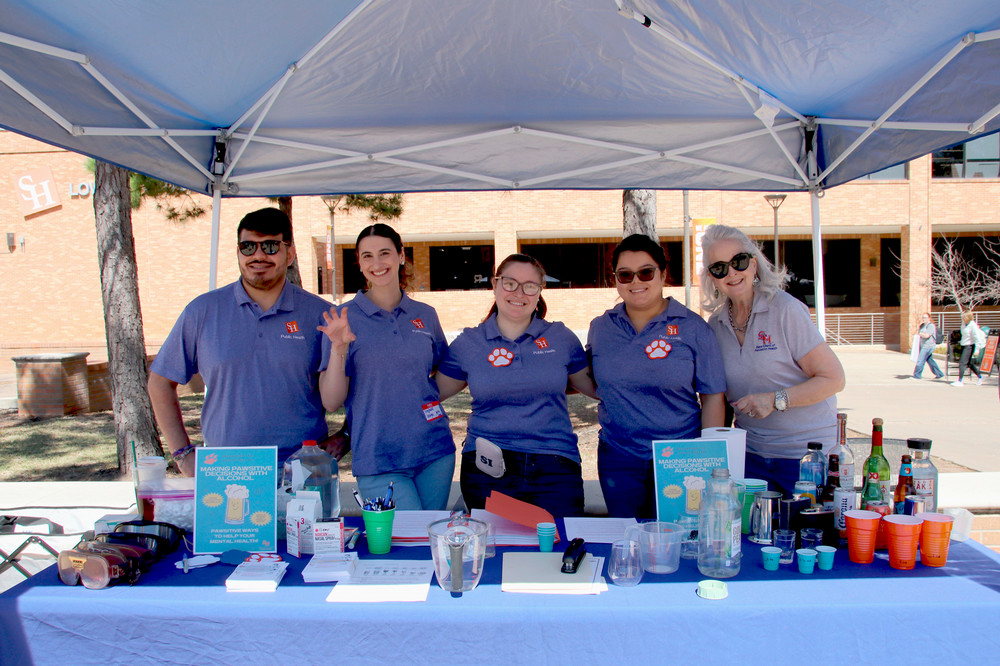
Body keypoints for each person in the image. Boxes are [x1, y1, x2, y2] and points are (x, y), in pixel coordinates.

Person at [148, 208, 332, 476]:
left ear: (290, 254)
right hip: (224, 469)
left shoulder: (320, 315)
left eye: (270, 246)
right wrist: (182, 454)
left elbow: (359, 385)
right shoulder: (202, 312)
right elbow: (160, 382)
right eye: (248, 247)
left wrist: (345, 436)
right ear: (238, 252)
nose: (258, 255)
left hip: (302, 471)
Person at [435, 253, 596, 517]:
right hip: (488, 468)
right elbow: (430, 394)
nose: (519, 293)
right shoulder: (469, 344)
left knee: (556, 547)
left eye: (530, 286)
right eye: (509, 283)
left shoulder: (561, 338)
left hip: (554, 467)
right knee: (497, 550)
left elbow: (597, 388)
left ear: (539, 291)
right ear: (494, 284)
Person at [587, 234, 727, 518]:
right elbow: (591, 381)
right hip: (619, 457)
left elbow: (712, 397)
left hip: (680, 458)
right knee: (628, 540)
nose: (635, 282)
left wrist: (708, 458)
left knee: (680, 540)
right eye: (625, 275)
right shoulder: (601, 328)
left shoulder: (693, 328)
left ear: (663, 274)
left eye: (646, 272)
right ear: (615, 280)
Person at [318, 224, 455, 510]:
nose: (377, 264)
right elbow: (331, 401)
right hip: (378, 457)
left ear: (401, 255)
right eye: (367, 256)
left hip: (435, 452)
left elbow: (441, 372)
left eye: (385, 253)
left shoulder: (425, 315)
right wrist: (338, 349)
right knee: (408, 543)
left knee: (430, 542)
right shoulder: (342, 318)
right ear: (358, 262)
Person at [701, 224, 845, 497]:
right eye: (719, 268)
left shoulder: (785, 310)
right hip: (751, 457)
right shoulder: (715, 325)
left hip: (805, 459)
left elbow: (834, 378)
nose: (731, 272)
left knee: (805, 538)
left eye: (739, 262)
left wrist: (775, 399)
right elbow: (718, 398)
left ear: (754, 264)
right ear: (712, 277)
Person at [952, 310, 984, 387]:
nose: (962, 318)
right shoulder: (963, 324)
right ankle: (980, 377)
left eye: (963, 317)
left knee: (962, 362)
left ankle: (960, 380)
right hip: (964, 344)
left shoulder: (973, 325)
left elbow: (976, 337)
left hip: (969, 346)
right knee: (969, 363)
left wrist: (977, 349)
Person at [913, 312, 945, 379]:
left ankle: (917, 375)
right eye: (923, 317)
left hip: (928, 346)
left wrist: (921, 334)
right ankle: (939, 374)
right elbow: (920, 333)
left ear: (929, 318)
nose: (924, 319)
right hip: (923, 345)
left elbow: (927, 335)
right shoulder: (922, 326)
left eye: (925, 317)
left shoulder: (931, 326)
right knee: (930, 361)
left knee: (920, 360)